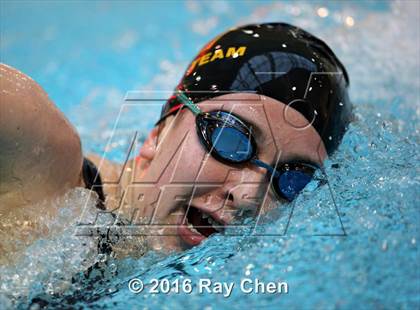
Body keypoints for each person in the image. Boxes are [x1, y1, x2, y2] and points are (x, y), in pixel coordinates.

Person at [0, 22, 352, 260]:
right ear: (158, 134)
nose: (248, 195)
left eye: (292, 177)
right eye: (231, 138)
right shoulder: (47, 163)